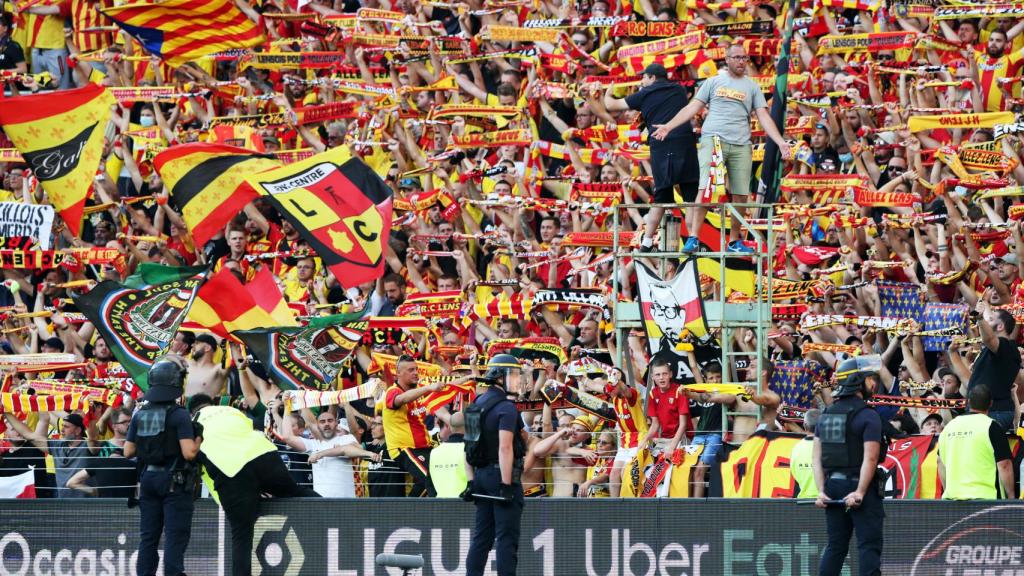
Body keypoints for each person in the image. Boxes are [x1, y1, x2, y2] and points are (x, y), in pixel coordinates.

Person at [652, 42, 791, 253]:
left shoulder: (752, 87)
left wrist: (780, 142)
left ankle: (734, 241)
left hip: (742, 143)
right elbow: (693, 107)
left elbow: (763, 115)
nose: (741, 62)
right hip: (713, 140)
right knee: (707, 188)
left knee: (741, 194)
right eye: (737, 57)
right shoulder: (713, 82)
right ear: (726, 59)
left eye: (744, 58)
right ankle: (694, 237)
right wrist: (669, 126)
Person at [190, 393, 320, 576]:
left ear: (192, 411)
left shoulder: (193, 424)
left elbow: (202, 470)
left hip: (232, 472)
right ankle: (332, 510)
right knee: (295, 490)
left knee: (241, 536)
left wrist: (228, 501)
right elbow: (246, 431)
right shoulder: (230, 411)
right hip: (264, 455)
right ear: (211, 403)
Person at [603, 62, 698, 252]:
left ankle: (646, 242)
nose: (642, 82)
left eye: (644, 78)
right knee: (691, 197)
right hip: (687, 145)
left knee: (662, 195)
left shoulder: (645, 93)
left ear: (653, 78)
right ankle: (694, 240)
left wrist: (608, 91)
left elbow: (610, 105)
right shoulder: (679, 90)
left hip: (663, 146)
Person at [123, 355, 200, 576]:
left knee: (148, 538)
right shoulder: (179, 415)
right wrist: (199, 438)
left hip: (148, 480)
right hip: (174, 482)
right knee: (175, 538)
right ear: (176, 383)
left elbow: (128, 451)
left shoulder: (140, 414)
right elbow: (189, 452)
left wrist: (151, 446)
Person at [813, 356, 886, 576]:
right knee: (868, 546)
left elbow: (816, 458)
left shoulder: (825, 415)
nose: (873, 384)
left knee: (835, 546)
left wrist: (821, 492)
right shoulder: (868, 415)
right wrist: (861, 492)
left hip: (832, 487)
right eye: (870, 379)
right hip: (859, 488)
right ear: (858, 382)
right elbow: (870, 459)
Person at [465, 354, 527, 576]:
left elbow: (469, 448)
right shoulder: (507, 408)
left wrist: (471, 481)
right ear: (501, 377)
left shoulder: (476, 404)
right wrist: (506, 484)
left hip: (480, 477)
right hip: (501, 475)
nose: (519, 380)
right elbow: (505, 448)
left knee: (481, 538)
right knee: (506, 539)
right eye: (515, 375)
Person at [279, 406, 380, 497]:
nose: (326, 423)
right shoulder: (313, 444)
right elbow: (287, 437)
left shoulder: (346, 438)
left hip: (347, 502)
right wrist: (287, 407)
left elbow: (345, 450)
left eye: (330, 420)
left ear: (336, 423)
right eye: (322, 422)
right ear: (317, 426)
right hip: (322, 503)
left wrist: (320, 454)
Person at [938, 385, 1016, 500]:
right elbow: (1004, 465)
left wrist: (948, 490)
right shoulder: (992, 426)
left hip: (953, 499)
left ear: (968, 402)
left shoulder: (949, 427)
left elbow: (940, 463)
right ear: (990, 404)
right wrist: (1011, 495)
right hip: (987, 500)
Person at [381, 354, 443, 497]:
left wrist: (466, 378)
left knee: (435, 478)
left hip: (424, 447)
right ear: (398, 374)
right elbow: (402, 399)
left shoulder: (417, 392)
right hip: (405, 448)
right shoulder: (393, 391)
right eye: (410, 370)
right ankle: (442, 513)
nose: (416, 372)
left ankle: (408, 509)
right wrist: (429, 388)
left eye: (416, 369)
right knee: (430, 477)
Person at [968, 304, 1021, 432]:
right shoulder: (998, 349)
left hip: (994, 412)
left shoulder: (1007, 346)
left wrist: (980, 318)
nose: (987, 321)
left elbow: (989, 338)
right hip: (987, 411)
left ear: (1000, 326)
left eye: (990, 320)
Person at [430, 414, 468, 498]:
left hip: (440, 505)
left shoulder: (434, 452)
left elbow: (429, 483)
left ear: (450, 427)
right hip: (466, 504)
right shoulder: (469, 449)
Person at [790, 409, 821, 499]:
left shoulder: (796, 448)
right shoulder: (829, 447)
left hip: (803, 502)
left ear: (804, 426)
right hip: (826, 502)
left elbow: (795, 475)